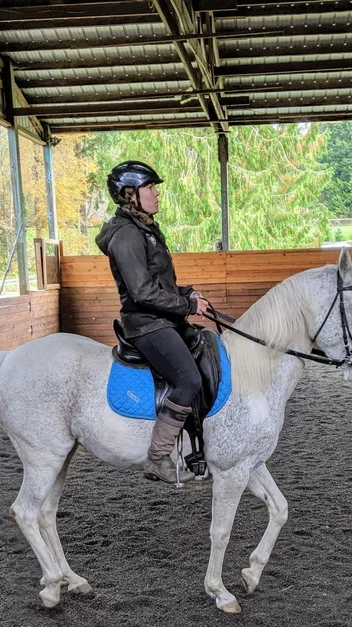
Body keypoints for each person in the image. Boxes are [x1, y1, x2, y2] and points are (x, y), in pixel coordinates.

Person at [96, 161, 212, 484]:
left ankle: (198, 443)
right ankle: (158, 456)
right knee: (188, 378)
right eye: (150, 188)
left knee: (205, 351)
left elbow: (160, 283)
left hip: (162, 318)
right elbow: (143, 292)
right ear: (130, 195)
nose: (156, 193)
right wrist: (186, 305)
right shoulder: (127, 235)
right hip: (146, 324)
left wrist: (188, 294)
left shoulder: (145, 230)